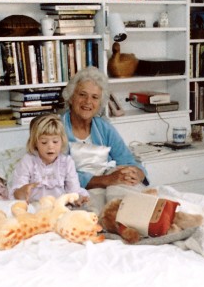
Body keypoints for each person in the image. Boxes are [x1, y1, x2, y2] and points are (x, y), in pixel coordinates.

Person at [60, 66, 148, 209]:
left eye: (95, 97)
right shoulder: (56, 129)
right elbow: (57, 175)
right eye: (82, 94)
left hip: (110, 188)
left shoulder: (104, 127)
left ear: (100, 103)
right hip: (77, 194)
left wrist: (137, 173)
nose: (88, 101)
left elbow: (127, 160)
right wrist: (105, 180)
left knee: (132, 191)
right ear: (70, 97)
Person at [9, 113, 89, 206]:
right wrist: (22, 191)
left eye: (55, 141)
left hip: (59, 205)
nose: (50, 146)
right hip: (34, 205)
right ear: (35, 143)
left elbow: (73, 190)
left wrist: (76, 199)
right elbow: (17, 192)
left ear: (62, 141)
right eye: (44, 142)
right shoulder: (28, 161)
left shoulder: (66, 162)